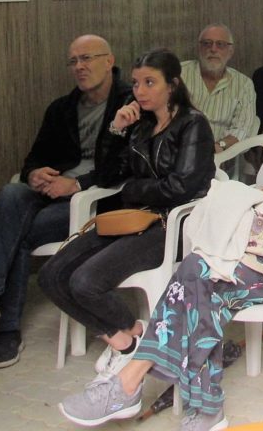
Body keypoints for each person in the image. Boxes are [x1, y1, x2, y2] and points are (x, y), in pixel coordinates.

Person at [58, 47, 263, 429]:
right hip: (251, 253)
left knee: (198, 275)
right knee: (200, 281)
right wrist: (257, 202)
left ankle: (136, 385)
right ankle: (198, 408)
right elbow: (257, 210)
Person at [0, 35, 130, 370]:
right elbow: (33, 158)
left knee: (21, 232)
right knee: (11, 192)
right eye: (72, 61)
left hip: (94, 199)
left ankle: (5, 328)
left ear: (109, 60)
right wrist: (33, 174)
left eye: (86, 58)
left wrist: (77, 184)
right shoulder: (61, 109)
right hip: (51, 191)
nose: (79, 67)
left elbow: (127, 166)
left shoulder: (130, 104)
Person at [38, 49, 215, 381]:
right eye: (135, 83)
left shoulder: (193, 124)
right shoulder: (139, 125)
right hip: (130, 218)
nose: (140, 91)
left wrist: (134, 189)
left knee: (86, 281)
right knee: (51, 275)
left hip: (170, 226)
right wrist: (116, 130)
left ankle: (129, 343)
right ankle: (129, 339)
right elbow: (107, 177)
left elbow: (182, 187)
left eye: (150, 83)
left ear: (173, 85)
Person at [182, 24, 258, 154]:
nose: (213, 49)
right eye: (207, 43)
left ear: (230, 51)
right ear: (199, 48)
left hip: (221, 157)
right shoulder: (180, 74)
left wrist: (219, 146)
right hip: (180, 151)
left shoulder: (243, 84)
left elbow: (242, 128)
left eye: (220, 44)